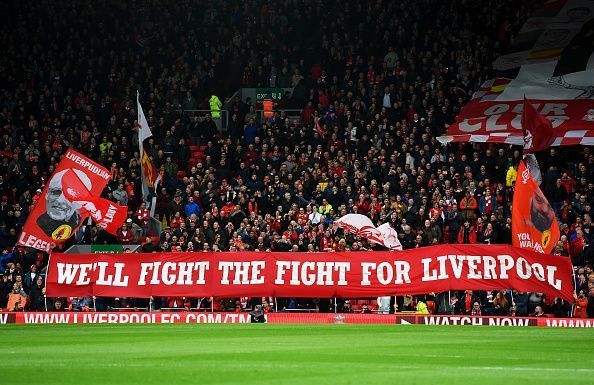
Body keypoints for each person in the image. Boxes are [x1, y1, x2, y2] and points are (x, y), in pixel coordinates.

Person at [36, 169, 88, 239]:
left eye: (68, 197)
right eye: (55, 192)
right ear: (47, 194)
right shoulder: (40, 222)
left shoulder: (74, 231)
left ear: (79, 204)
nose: (60, 200)